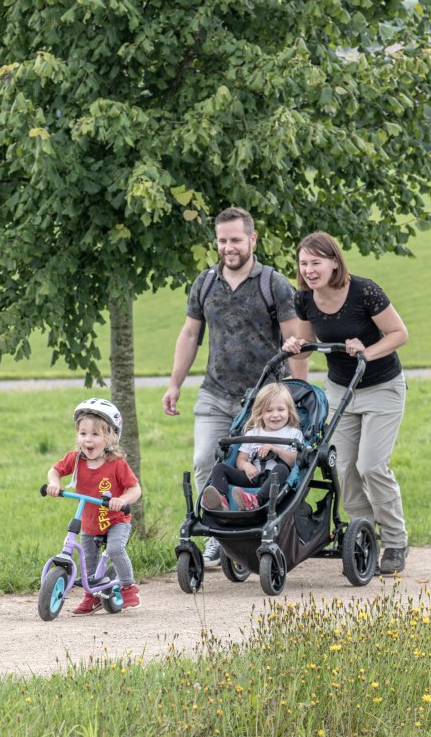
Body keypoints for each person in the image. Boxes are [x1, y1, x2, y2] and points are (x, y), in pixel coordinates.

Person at [163, 206, 309, 562]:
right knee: (203, 460)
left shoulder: (272, 283)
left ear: (252, 239)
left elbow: (296, 343)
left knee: (257, 468)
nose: (229, 247)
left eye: (236, 240)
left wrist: (298, 396)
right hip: (215, 392)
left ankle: (255, 529)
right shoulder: (205, 282)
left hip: (263, 399)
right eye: (222, 240)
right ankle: (217, 533)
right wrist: (174, 384)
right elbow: (189, 334)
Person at [282, 231, 412, 575]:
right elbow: (307, 343)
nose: (309, 270)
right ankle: (364, 536)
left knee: (371, 466)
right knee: (343, 467)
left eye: (316, 262)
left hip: (382, 386)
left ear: (334, 262)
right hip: (341, 388)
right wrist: (297, 349)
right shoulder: (304, 299)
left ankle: (396, 541)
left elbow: (400, 334)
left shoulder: (364, 291)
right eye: (304, 263)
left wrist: (366, 353)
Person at [45, 398, 143, 614]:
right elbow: (54, 470)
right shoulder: (76, 459)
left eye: (95, 434)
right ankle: (91, 597)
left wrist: (122, 500)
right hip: (90, 521)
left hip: (116, 520)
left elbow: (135, 490)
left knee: (115, 549)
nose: (88, 440)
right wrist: (55, 483)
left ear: (110, 438)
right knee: (88, 562)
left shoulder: (116, 464)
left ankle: (128, 587)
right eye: (83, 433)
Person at [200, 382, 305, 511]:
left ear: (289, 411)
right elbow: (240, 460)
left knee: (282, 468)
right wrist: (247, 466)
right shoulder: (253, 434)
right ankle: (221, 501)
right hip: (253, 476)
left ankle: (256, 500)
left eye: (281, 410)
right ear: (260, 413)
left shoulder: (293, 434)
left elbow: (294, 461)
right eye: (269, 410)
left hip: (275, 479)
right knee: (219, 468)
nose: (275, 415)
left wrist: (275, 449)